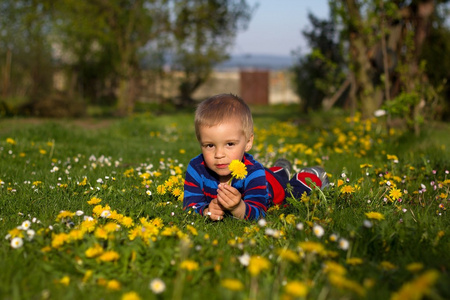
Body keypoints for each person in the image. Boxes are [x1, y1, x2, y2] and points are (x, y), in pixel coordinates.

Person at [183, 93, 329, 221]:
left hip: (271, 187)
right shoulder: (196, 168)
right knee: (273, 173)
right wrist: (206, 210)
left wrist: (238, 208)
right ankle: (281, 169)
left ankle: (309, 174)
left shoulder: (254, 172)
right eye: (210, 145)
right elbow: (190, 205)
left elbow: (259, 213)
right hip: (265, 174)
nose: (219, 154)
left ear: (247, 143)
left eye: (229, 144)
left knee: (292, 193)